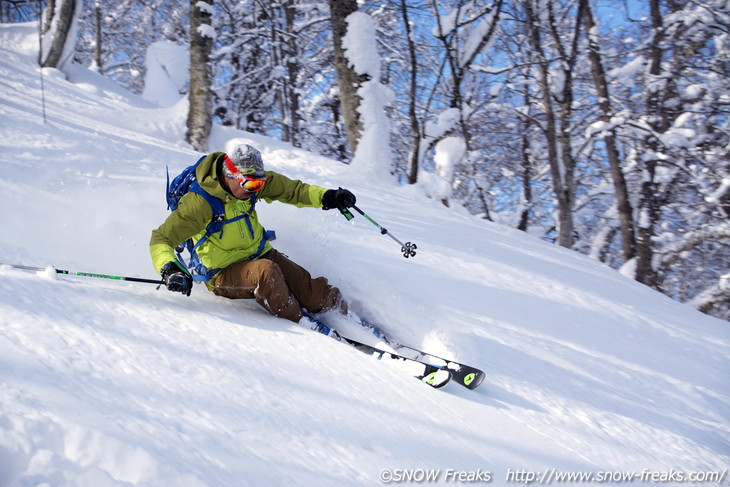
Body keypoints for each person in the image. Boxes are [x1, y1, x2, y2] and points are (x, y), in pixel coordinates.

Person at [150, 144, 356, 323]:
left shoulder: (251, 185)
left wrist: (327, 197)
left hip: (258, 252)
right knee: (266, 272)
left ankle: (349, 317)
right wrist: (170, 269)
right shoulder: (200, 203)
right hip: (222, 272)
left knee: (313, 294)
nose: (255, 189)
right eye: (251, 184)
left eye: (260, 184)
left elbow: (293, 190)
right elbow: (161, 238)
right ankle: (300, 323)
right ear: (230, 175)